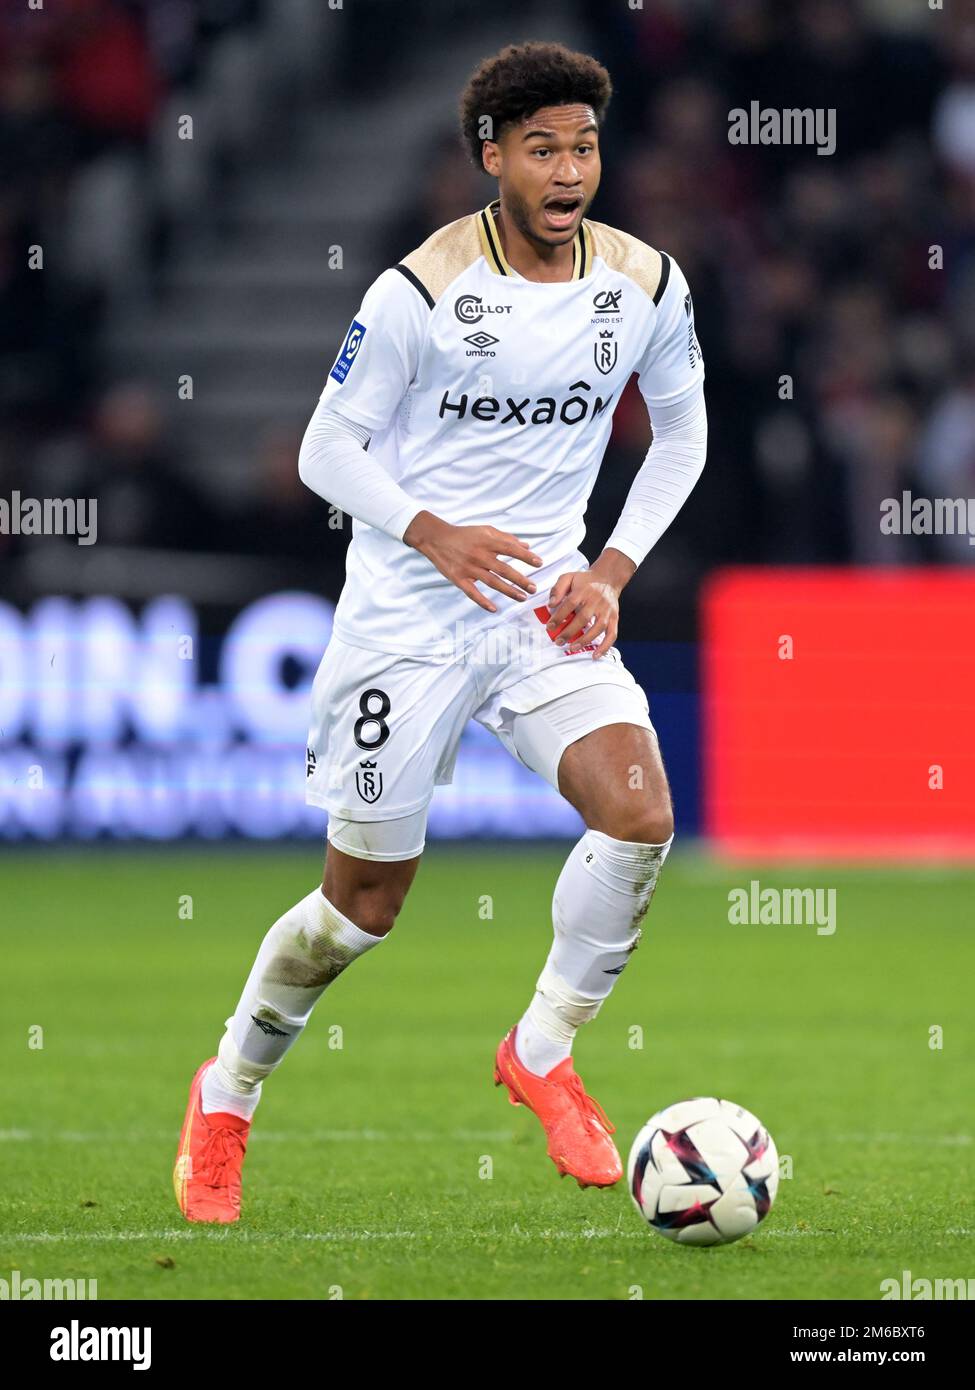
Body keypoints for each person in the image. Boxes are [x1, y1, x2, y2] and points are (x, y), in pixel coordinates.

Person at [174, 41, 707, 1223]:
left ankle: (543, 1049)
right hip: (410, 618)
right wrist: (434, 533)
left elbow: (680, 435)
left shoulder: (646, 285)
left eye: (585, 145)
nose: (571, 170)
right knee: (361, 906)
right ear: (492, 158)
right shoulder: (418, 292)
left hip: (545, 609)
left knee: (642, 812)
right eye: (543, 149)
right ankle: (229, 1092)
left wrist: (611, 568)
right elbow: (326, 449)